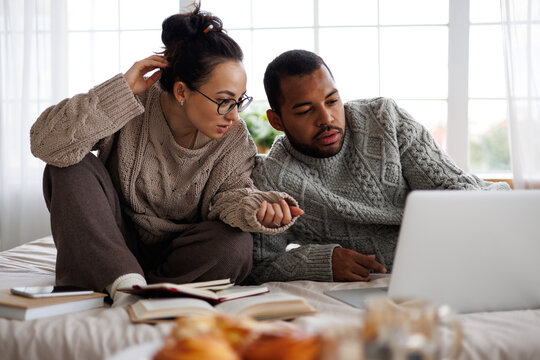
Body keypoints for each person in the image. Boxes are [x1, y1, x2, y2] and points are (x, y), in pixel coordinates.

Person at [29, 6, 302, 305]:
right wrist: (120, 91)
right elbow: (46, 144)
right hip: (114, 239)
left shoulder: (234, 140)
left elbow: (229, 196)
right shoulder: (130, 106)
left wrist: (257, 206)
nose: (234, 116)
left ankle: (128, 284)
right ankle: (123, 278)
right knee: (67, 164)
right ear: (182, 91)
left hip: (182, 256)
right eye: (225, 102)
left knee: (235, 243)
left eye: (239, 101)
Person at [247, 49, 510, 284]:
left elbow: (453, 189)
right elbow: (257, 267)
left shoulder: (384, 119)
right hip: (394, 282)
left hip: (460, 251)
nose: (326, 118)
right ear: (276, 120)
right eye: (305, 110)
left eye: (332, 101)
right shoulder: (271, 178)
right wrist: (321, 261)